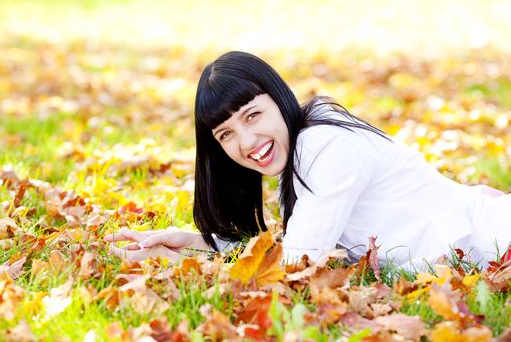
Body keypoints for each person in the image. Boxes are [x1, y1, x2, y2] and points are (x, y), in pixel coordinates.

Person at [105, 51, 510, 271]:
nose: (246, 142)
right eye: (225, 134)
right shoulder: (301, 155)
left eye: (253, 115)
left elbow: (296, 265)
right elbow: (297, 246)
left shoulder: (322, 147)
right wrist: (197, 244)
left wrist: (176, 265)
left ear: (278, 98)